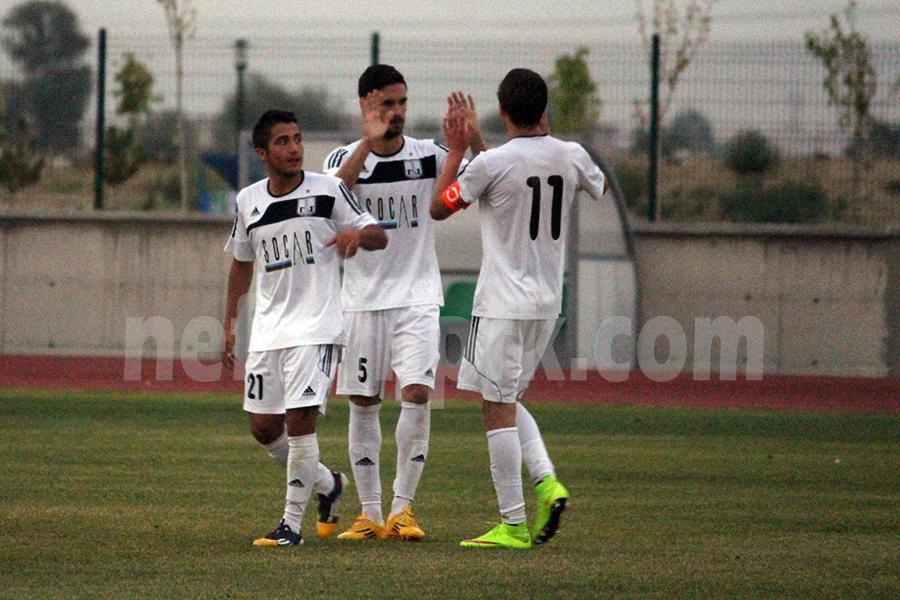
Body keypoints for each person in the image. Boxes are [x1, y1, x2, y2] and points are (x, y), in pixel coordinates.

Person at [430, 68, 607, 549]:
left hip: (502, 303)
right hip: (547, 302)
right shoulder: (571, 155)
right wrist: (480, 144)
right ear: (544, 107)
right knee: (507, 397)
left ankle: (512, 523)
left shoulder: (491, 164)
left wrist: (457, 151)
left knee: (496, 406)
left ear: (503, 110)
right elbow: (593, 186)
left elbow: (440, 206)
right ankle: (547, 483)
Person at [322, 65, 485, 541]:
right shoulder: (342, 158)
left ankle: (403, 510)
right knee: (363, 402)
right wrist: (366, 144)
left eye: (402, 103)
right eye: (386, 104)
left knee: (416, 393)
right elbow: (332, 199)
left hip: (417, 296)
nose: (396, 113)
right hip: (362, 300)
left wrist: (470, 141)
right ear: (365, 105)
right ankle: (370, 514)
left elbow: (486, 175)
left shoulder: (428, 155)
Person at [223, 109, 388, 546]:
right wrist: (229, 322)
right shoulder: (248, 201)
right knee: (264, 428)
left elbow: (378, 235)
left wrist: (357, 236)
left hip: (317, 328)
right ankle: (328, 484)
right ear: (262, 153)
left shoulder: (329, 190)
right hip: (268, 331)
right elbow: (241, 263)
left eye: (297, 139)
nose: (295, 148)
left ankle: (290, 527)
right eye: (283, 141)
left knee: (300, 423)